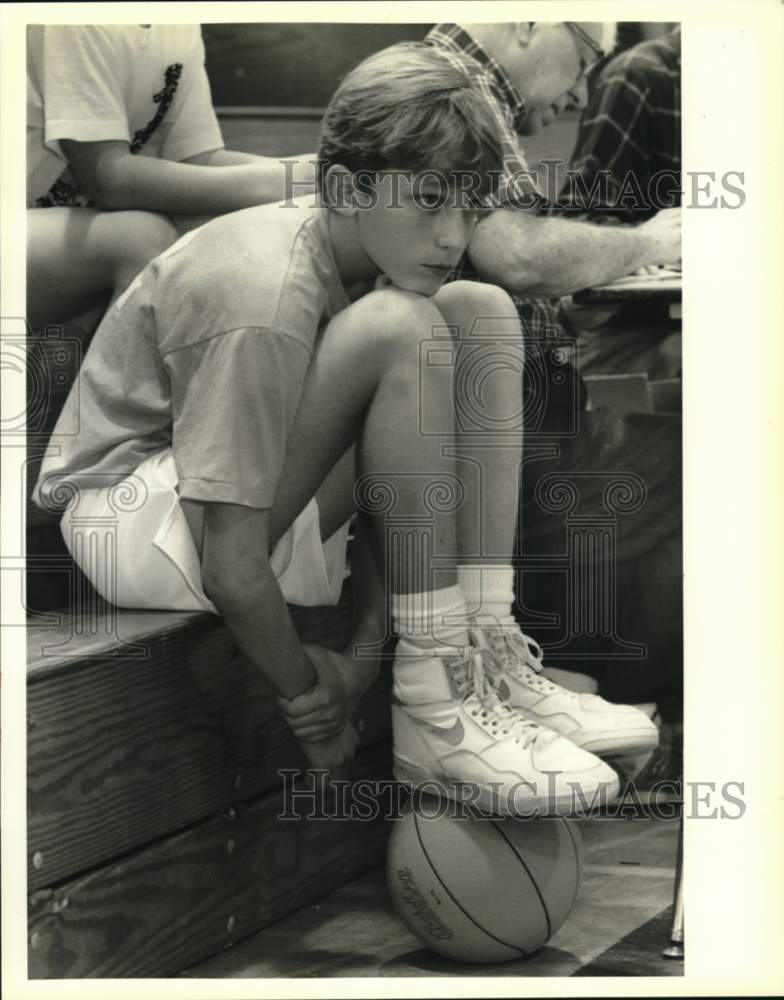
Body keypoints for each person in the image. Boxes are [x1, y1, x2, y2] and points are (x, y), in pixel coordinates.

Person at [34, 42, 657, 817]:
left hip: (226, 516)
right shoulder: (264, 287)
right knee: (402, 327)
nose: (451, 236)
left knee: (480, 313)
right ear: (342, 187)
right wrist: (307, 692)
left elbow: (383, 500)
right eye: (429, 200)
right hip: (132, 522)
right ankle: (437, 707)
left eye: (467, 207)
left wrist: (362, 662)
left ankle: (482, 651)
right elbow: (231, 563)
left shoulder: (367, 260)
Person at [425, 22, 682, 726]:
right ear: (530, 24)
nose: (580, 91)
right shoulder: (456, 90)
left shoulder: (460, 84)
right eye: (584, 62)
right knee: (711, 457)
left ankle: (582, 693)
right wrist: (648, 242)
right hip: (488, 436)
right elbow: (518, 257)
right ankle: (607, 703)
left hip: (516, 415)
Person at [27, 24, 315, 332]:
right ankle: (117, 382)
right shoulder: (76, 22)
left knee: (217, 232)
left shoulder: (181, 26)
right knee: (142, 237)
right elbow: (108, 177)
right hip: (21, 218)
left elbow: (197, 160)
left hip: (57, 236)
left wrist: (304, 175)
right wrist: (282, 181)